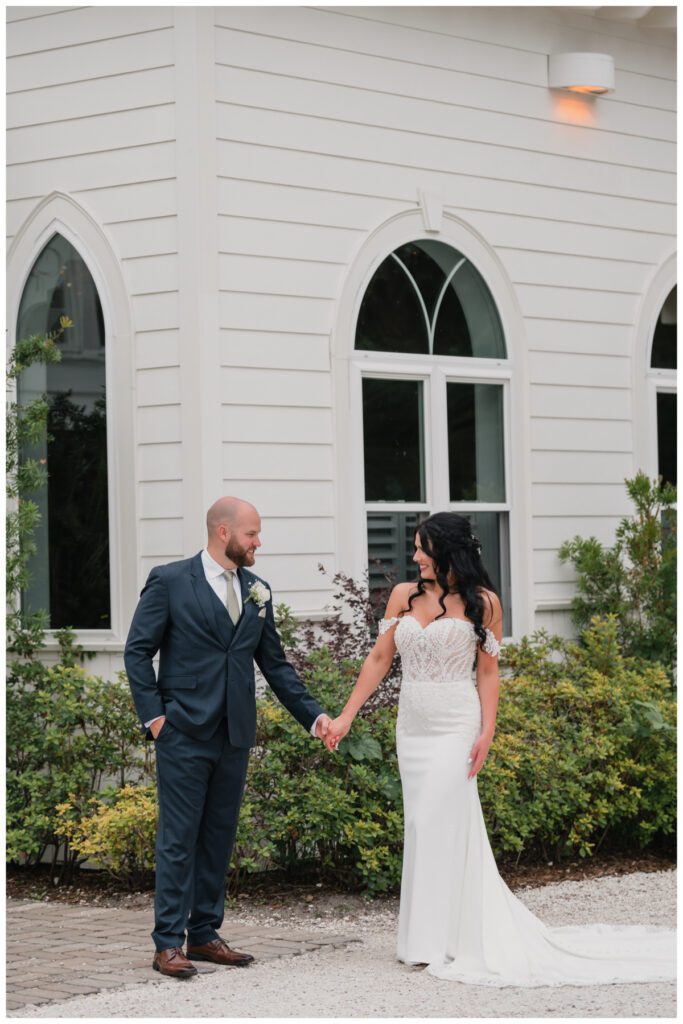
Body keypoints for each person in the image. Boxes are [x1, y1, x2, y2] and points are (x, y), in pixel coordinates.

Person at [325, 512, 675, 987]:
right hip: (413, 726)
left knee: (441, 820)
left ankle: (453, 938)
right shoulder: (404, 595)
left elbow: (488, 673)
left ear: (447, 550)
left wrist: (488, 731)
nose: (415, 557)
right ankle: (422, 940)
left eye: (422, 548)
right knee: (420, 823)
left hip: (455, 725)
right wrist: (346, 715)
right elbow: (380, 657)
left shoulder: (484, 603)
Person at [125, 497, 331, 978]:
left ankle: (204, 934)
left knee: (218, 837)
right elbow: (138, 652)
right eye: (252, 534)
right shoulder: (171, 581)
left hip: (235, 733)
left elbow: (275, 665)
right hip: (182, 731)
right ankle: (167, 943)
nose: (259, 542)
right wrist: (155, 718)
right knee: (178, 839)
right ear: (223, 532)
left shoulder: (258, 590)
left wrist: (314, 717)